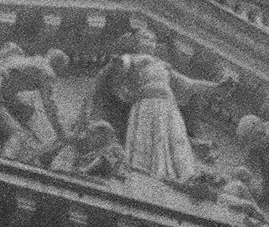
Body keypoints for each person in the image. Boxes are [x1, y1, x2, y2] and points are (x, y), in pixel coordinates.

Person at [99, 21, 233, 184]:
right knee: (147, 135)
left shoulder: (163, 66)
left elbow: (189, 84)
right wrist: (120, 66)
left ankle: (186, 174)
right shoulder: (134, 58)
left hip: (168, 105)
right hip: (147, 102)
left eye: (153, 39)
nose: (150, 41)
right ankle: (142, 170)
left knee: (177, 136)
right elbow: (122, 65)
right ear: (136, 43)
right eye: (144, 38)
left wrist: (216, 87)